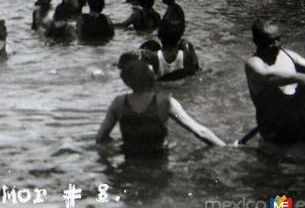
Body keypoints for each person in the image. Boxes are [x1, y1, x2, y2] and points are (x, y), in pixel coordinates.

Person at [96, 57, 225, 152]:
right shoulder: (165, 102)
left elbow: (100, 139)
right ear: (151, 78)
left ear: (127, 82)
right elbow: (200, 132)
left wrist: (120, 149)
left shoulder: (119, 104)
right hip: (159, 168)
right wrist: (227, 147)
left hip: (129, 166)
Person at [245, 20, 305, 144]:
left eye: (278, 39)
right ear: (256, 42)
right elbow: (268, 77)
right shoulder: (254, 63)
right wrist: (298, 77)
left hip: (303, 128)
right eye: (270, 42)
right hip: (276, 139)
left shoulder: (288, 55)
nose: (277, 45)